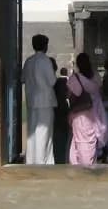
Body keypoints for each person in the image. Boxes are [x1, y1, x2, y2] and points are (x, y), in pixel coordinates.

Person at [66, 52, 108, 165]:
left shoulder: (74, 79)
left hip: (79, 117)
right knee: (89, 144)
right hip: (95, 116)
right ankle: (88, 166)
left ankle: (82, 169)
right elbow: (101, 94)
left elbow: (69, 96)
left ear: (78, 65)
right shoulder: (96, 78)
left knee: (78, 144)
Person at [22, 34, 56, 164]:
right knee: (44, 134)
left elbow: (22, 78)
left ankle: (31, 161)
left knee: (32, 134)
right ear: (45, 46)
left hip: (31, 101)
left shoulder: (28, 61)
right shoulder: (45, 60)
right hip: (45, 101)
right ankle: (42, 163)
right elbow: (52, 81)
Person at [51, 63, 71, 166]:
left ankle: (57, 157)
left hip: (56, 107)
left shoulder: (57, 81)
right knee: (65, 134)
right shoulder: (68, 81)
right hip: (64, 108)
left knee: (57, 134)